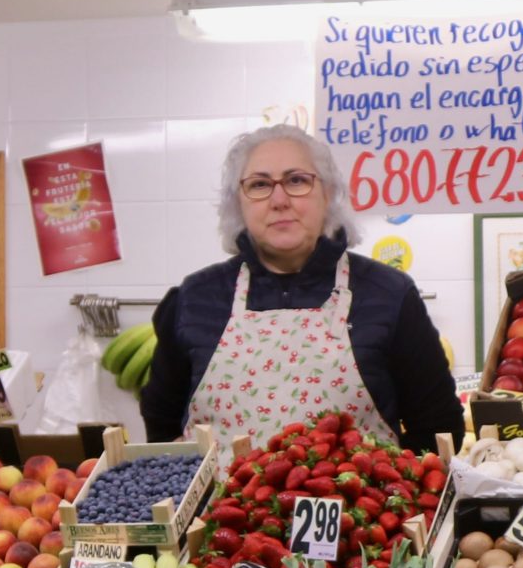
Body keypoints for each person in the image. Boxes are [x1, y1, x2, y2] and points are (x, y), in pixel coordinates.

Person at [140, 124, 462, 452]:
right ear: (238, 203)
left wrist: (390, 491)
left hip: (356, 501)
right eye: (260, 184)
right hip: (218, 504)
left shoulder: (389, 294)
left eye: (296, 181)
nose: (279, 200)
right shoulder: (195, 298)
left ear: (328, 194)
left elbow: (438, 427)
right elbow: (161, 426)